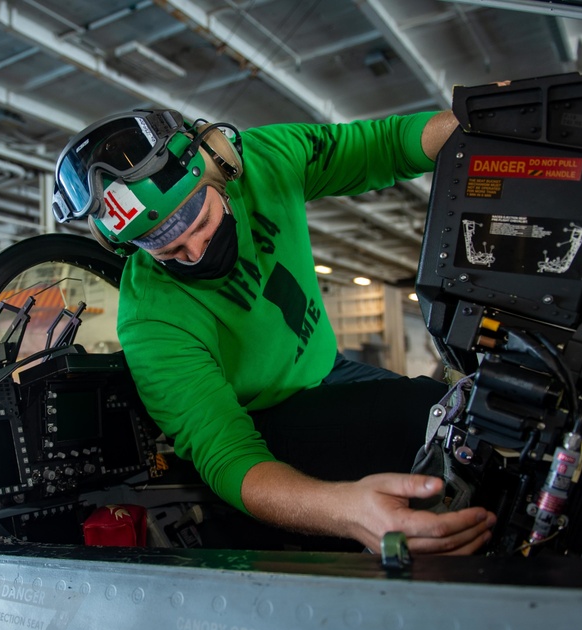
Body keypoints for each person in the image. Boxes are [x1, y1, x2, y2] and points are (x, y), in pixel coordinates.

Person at [51, 108, 496, 554]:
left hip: (328, 368)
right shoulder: (149, 317)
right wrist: (350, 513)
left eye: (201, 222)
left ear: (217, 163)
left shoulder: (264, 161)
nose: (196, 251)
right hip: (264, 417)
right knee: (416, 419)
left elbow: (383, 145)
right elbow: (229, 456)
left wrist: (485, 123)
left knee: (459, 419)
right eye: (169, 250)